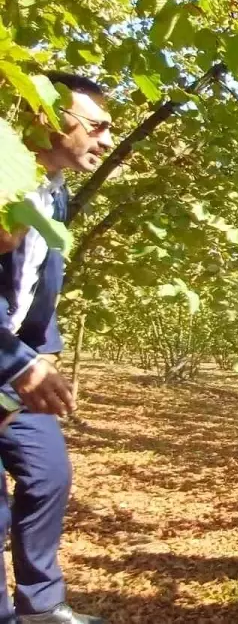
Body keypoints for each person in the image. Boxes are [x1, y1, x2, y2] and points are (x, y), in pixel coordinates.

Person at [0, 71, 113, 624]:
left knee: (48, 474)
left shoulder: (55, 195)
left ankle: (41, 605)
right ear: (47, 116)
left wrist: (41, 354)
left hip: (17, 363)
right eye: (96, 126)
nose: (107, 139)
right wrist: (19, 365)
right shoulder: (5, 184)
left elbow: (38, 286)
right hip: (8, 364)